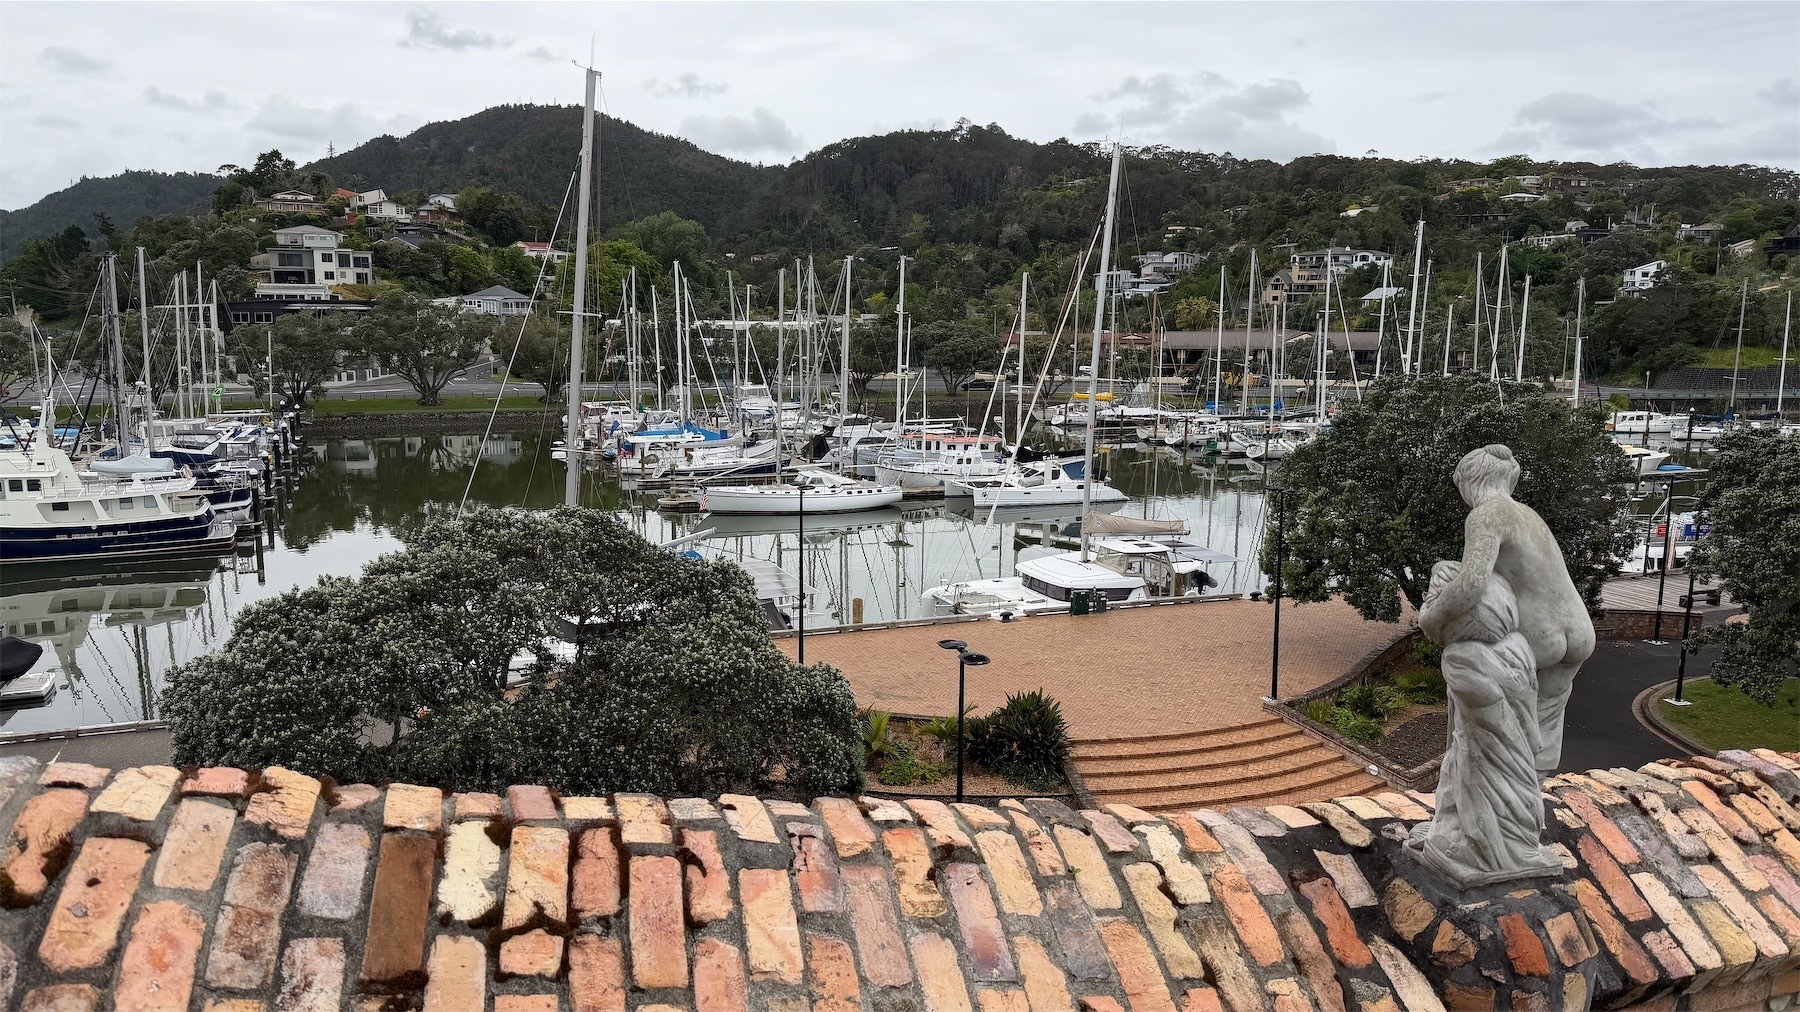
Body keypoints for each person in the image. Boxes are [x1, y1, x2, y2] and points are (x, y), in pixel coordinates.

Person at [1426, 445, 1595, 773]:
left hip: (1538, 638)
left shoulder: (1487, 514)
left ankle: (1483, 807)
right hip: (1579, 631)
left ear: (1468, 481)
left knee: (1499, 729)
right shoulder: (1529, 516)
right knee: (1542, 736)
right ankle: (1530, 816)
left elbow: (1470, 584)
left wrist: (1433, 619)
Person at [1409, 560, 1562, 886]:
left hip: (1485, 763)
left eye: (1434, 599)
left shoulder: (1462, 658)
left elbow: (1477, 745)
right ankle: (1507, 840)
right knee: (1470, 774)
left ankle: (1486, 848)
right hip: (1515, 764)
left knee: (1469, 778)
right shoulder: (1519, 647)